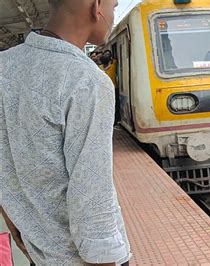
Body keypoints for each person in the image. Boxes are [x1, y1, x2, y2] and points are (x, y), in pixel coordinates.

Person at [0, 0, 131, 265]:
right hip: (83, 259)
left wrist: (10, 213)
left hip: (38, 250)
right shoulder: (87, 81)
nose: (113, 14)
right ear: (96, 6)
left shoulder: (4, 66)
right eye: (113, 6)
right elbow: (92, 194)